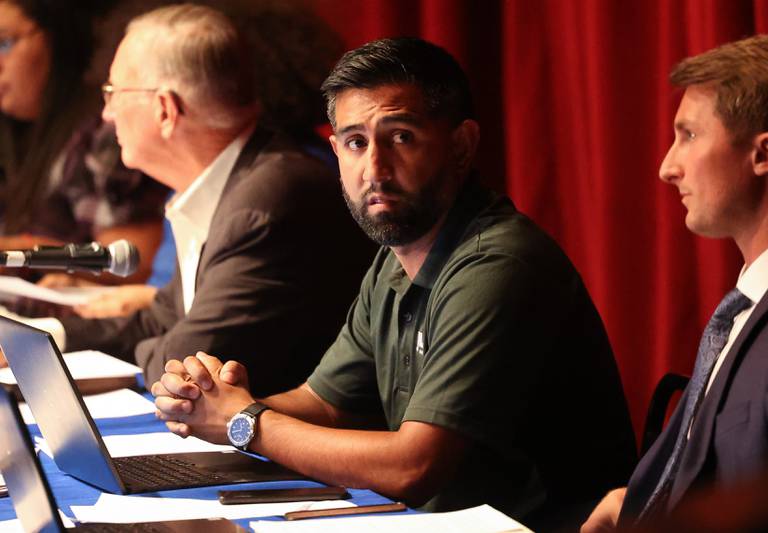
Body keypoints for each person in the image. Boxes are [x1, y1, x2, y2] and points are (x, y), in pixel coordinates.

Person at [153, 37, 637, 530]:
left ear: (461, 145)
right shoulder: (397, 256)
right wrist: (212, 403)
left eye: (401, 137)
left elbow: (414, 465)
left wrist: (246, 424)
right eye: (357, 143)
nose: (375, 170)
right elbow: (325, 403)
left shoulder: (498, 264)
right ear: (337, 151)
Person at [4, 3, 372, 397]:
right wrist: (37, 337)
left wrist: (156, 346)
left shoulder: (269, 200)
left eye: (112, 93)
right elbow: (158, 321)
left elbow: (184, 359)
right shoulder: (227, 183)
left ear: (165, 108)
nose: (107, 114)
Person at [581, 34, 768, 532]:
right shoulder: (754, 303)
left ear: (763, 154)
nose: (667, 167)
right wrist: (630, 502)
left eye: (690, 135)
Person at [0, 0, 166, 284]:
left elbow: (130, 264)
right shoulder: (9, 132)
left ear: (58, 37)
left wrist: (21, 251)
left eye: (4, 43)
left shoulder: (109, 128)